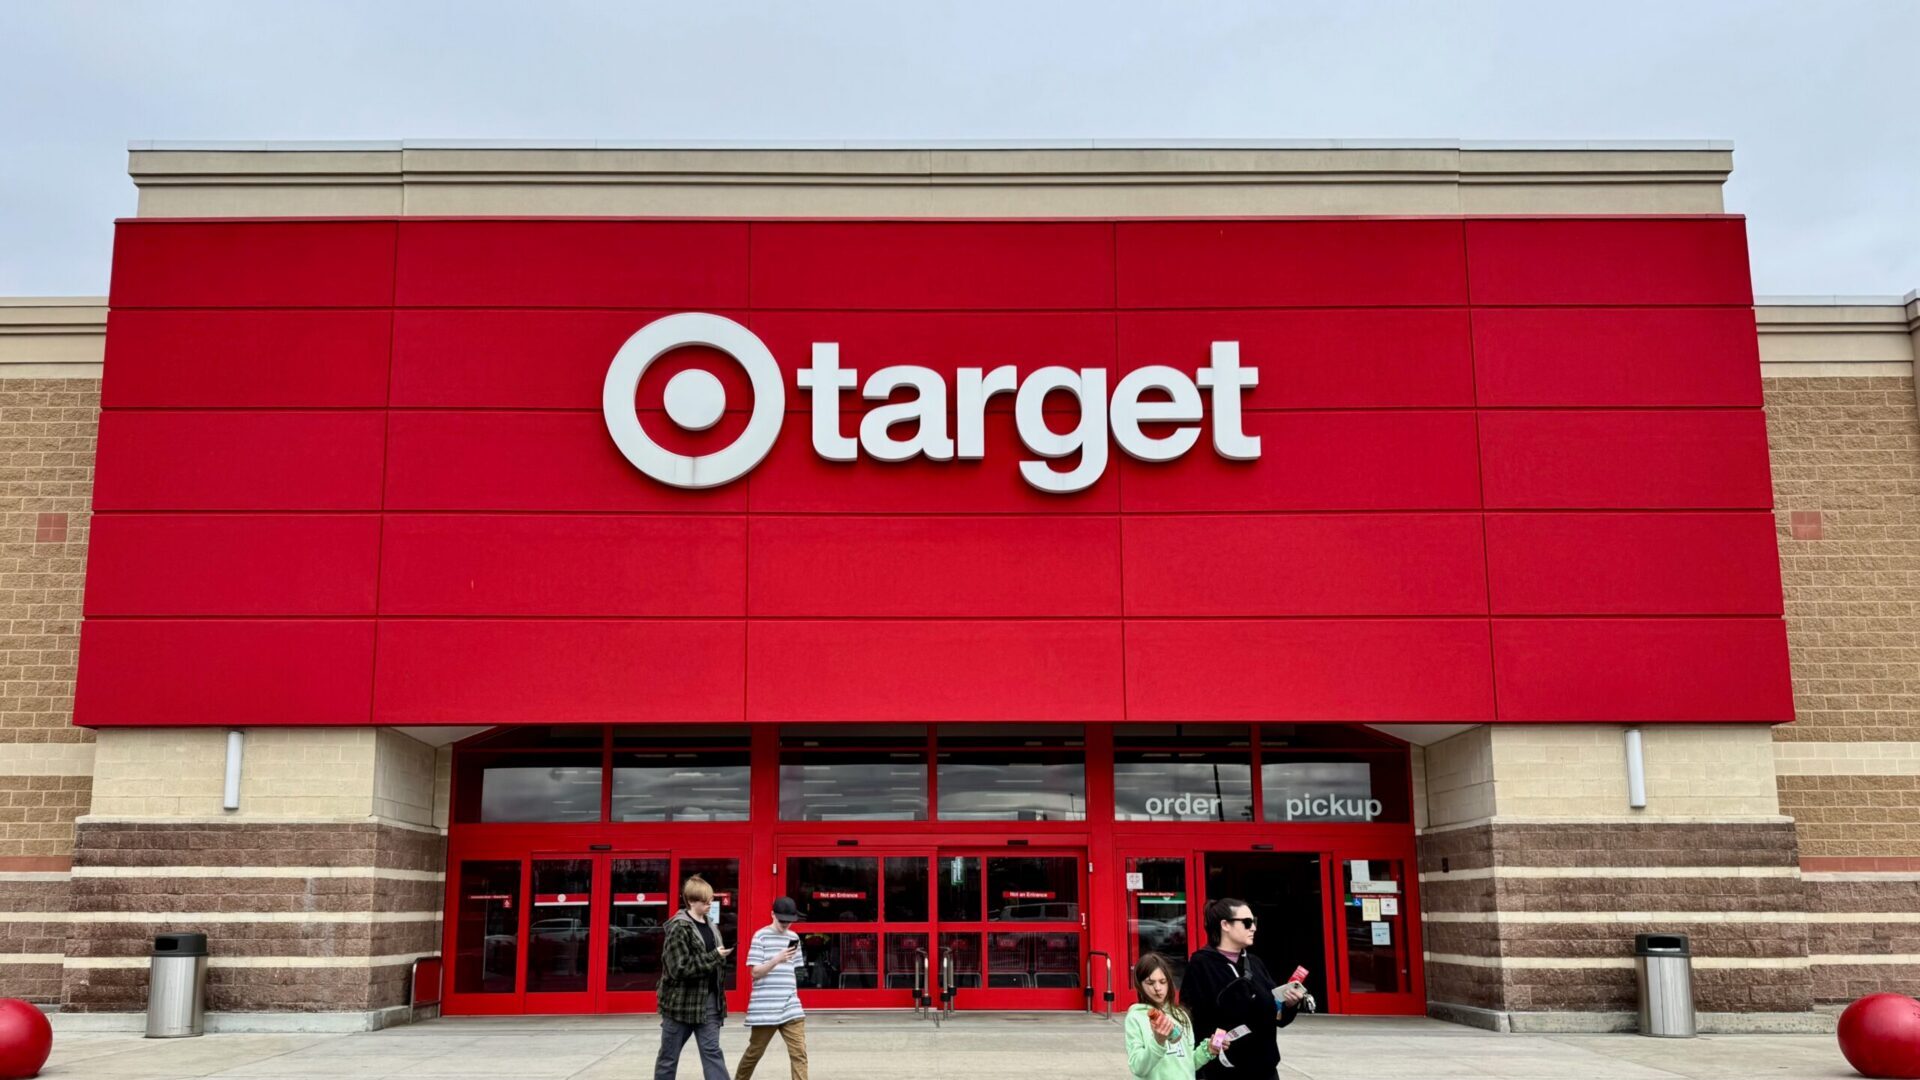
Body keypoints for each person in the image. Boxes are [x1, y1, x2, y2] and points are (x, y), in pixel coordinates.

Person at [1181, 898, 1305, 1080]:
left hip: (1265, 1069)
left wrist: (1289, 1005)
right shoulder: (1201, 965)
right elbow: (1192, 1020)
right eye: (1247, 923)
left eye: (1254, 922)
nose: (1253, 928)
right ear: (1225, 925)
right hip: (1223, 1070)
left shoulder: (1255, 963)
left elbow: (1275, 1015)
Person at [656, 874, 734, 1080]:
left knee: (712, 1052)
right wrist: (715, 956)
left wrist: (721, 957)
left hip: (709, 1002)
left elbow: (713, 963)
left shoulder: (710, 925)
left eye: (710, 900)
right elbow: (679, 968)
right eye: (704, 901)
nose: (709, 904)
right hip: (680, 1005)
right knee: (669, 1056)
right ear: (690, 901)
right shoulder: (678, 928)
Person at [735, 896, 809, 1080]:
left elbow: (797, 970)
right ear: (772, 914)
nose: (786, 925)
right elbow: (755, 972)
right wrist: (777, 959)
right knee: (754, 1053)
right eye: (782, 920)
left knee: (799, 1054)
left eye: (789, 921)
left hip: (790, 1005)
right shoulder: (760, 936)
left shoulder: (794, 938)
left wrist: (798, 984)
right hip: (765, 1008)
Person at [1125, 951, 1225, 1079]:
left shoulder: (1181, 1015)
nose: (1157, 988)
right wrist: (1158, 1041)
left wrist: (1208, 1050)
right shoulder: (1136, 1017)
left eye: (1162, 981)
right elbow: (1138, 1067)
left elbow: (1189, 1063)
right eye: (1150, 983)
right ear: (1139, 985)